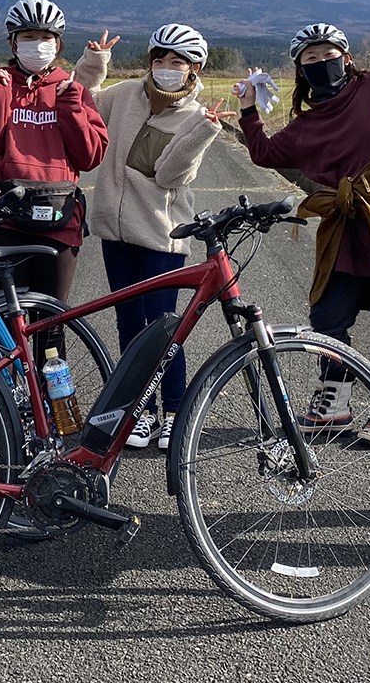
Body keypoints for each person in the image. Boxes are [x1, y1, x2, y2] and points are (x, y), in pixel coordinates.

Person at [236, 0, 370, 448]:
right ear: (300, 68)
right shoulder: (306, 124)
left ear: (347, 58)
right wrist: (247, 110)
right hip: (345, 228)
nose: (321, 60)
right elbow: (265, 153)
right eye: (310, 56)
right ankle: (335, 397)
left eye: (330, 52)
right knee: (328, 316)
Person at [74, 24, 233, 449]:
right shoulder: (124, 94)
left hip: (161, 236)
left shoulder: (196, 117)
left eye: (176, 62)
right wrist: (94, 64)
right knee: (129, 324)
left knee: (165, 329)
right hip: (115, 231)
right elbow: (79, 104)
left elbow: (167, 175)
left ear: (193, 69)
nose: (165, 68)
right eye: (159, 60)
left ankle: (175, 410)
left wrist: (204, 131)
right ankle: (137, 413)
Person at [0, 0, 108, 307]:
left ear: (58, 44)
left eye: (46, 37)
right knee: (4, 316)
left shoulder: (73, 90)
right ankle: (10, 360)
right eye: (28, 36)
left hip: (59, 218)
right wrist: (0, 99)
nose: (37, 44)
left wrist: (69, 107)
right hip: (4, 220)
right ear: (13, 43)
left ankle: (50, 359)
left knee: (52, 320)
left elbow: (90, 157)